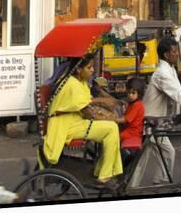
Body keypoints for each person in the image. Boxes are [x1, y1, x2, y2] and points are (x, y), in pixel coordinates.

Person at [137, 37, 181, 185]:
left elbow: (178, 94)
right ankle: (156, 182)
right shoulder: (162, 73)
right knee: (155, 156)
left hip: (158, 122)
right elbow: (178, 94)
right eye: (174, 51)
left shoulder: (169, 69)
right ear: (166, 55)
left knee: (149, 158)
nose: (177, 54)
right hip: (151, 122)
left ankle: (158, 182)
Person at [43, 53, 123, 185]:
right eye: (89, 67)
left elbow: (87, 104)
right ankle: (105, 174)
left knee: (110, 127)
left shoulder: (80, 82)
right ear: (79, 69)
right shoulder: (72, 85)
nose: (92, 70)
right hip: (66, 125)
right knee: (111, 128)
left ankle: (103, 171)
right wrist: (108, 118)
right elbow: (88, 114)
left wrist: (104, 113)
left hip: (72, 120)